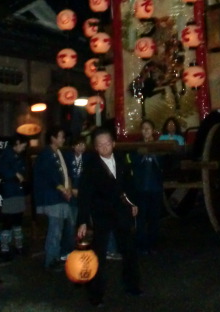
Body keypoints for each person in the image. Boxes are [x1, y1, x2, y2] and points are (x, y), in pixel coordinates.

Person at [77, 127, 142, 308]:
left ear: (113, 143)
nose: (105, 147)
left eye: (107, 143)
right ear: (96, 148)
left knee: (129, 250)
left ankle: (132, 286)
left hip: (122, 212)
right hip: (101, 215)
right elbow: (84, 195)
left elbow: (130, 185)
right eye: (100, 145)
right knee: (98, 256)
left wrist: (133, 203)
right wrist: (82, 220)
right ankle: (95, 295)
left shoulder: (122, 159)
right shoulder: (91, 166)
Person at [33, 125, 73, 270]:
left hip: (58, 197)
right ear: (53, 138)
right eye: (61, 136)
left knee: (58, 229)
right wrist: (63, 189)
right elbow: (50, 176)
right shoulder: (47, 154)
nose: (63, 138)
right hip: (53, 198)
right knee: (55, 230)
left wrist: (66, 188)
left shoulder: (56, 153)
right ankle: (51, 260)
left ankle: (55, 256)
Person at [128, 119, 163, 255]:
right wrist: (142, 153)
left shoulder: (160, 145)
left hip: (155, 188)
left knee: (154, 218)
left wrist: (153, 153)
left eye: (148, 128)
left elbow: (164, 162)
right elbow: (132, 162)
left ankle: (153, 245)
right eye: (143, 128)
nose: (146, 131)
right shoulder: (136, 146)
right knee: (141, 218)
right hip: (141, 188)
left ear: (153, 130)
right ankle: (142, 246)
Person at [0, 133, 29, 261]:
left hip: (18, 192)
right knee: (8, 222)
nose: (24, 148)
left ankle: (18, 246)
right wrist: (15, 174)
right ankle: (5, 248)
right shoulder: (7, 155)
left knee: (17, 221)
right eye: (23, 145)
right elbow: (2, 170)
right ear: (16, 143)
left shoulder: (19, 157)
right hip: (10, 193)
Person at [62, 135, 86, 260]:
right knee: (70, 223)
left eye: (83, 144)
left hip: (83, 194)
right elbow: (67, 175)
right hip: (71, 195)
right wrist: (71, 189)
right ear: (73, 146)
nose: (81, 147)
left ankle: (77, 245)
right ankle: (67, 250)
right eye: (78, 145)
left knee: (80, 221)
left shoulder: (87, 158)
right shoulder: (68, 157)